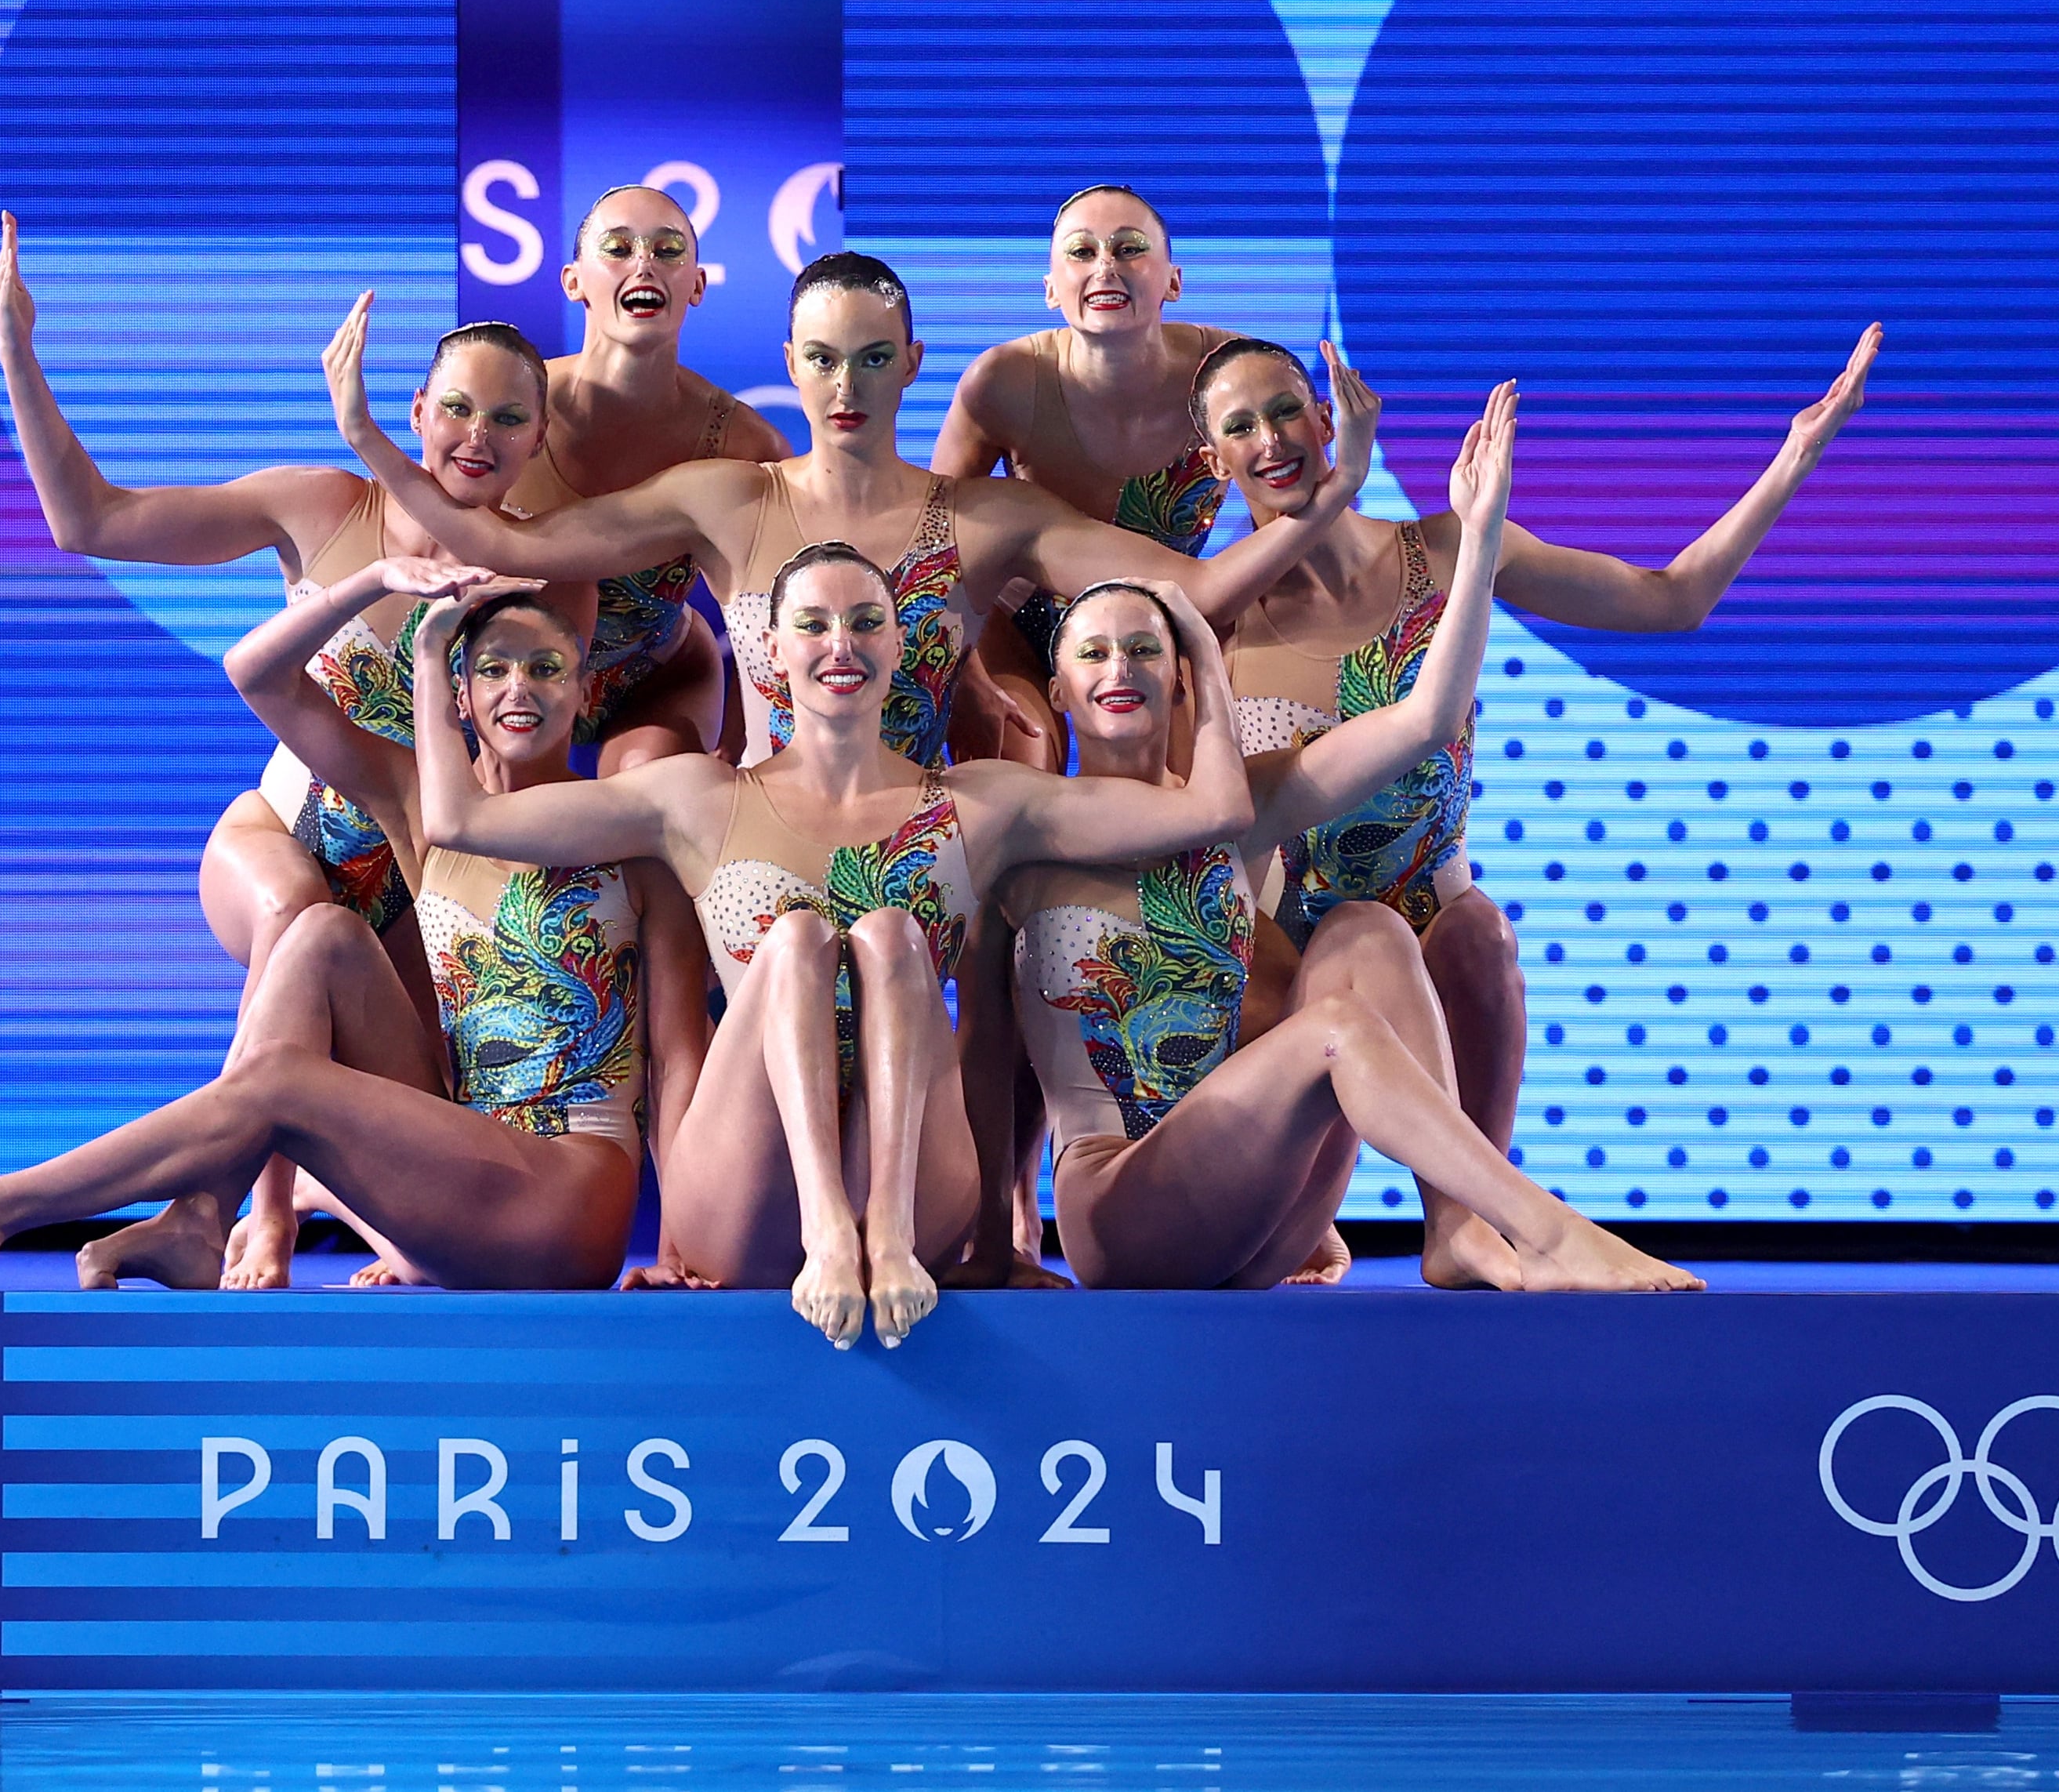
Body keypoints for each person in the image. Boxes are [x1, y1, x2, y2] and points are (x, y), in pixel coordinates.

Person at [415, 542, 1256, 1349]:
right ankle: (830, 1231)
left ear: (900, 646)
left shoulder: (978, 804)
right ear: (772, 651)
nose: (839, 645)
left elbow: (1216, 810)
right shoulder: (697, 797)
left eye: (863, 622)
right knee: (796, 942)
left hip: (914, 1192)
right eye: (813, 625)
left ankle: (880, 1237)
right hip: (749, 1187)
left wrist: (1204, 665)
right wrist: (430, 660)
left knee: (893, 934)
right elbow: (458, 819)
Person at [1194, 323, 1879, 1282]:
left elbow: (1670, 599)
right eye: (1239, 427)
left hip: (1437, 924)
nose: (1269, 440)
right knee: (1355, 928)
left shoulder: (1447, 548)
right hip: (1286, 964)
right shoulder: (1207, 621)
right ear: (1214, 460)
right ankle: (1385, 1211)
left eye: (1283, 411)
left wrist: (1795, 456)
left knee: (1479, 930)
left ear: (1327, 415)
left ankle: (1467, 1220)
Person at [991, 381, 1698, 1293]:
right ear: (1057, 689)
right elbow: (984, 1052)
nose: (1117, 669)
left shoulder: (1236, 813)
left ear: (1186, 676)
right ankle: (1547, 1230)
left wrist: (1478, 541)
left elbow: (1427, 717)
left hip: (1251, 1210)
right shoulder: (1019, 831)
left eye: (1145, 650)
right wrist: (993, 1243)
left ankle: (1459, 1227)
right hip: (1119, 1209)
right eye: (1091, 652)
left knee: (1369, 925)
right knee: (1331, 1032)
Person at [0, 211, 585, 1275]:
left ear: (539, 437)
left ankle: (302, 1199)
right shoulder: (319, 504)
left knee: (402, 1113)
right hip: (278, 830)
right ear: (415, 409)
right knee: (300, 908)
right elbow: (94, 521)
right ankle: (234, 1209)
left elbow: (512, 764)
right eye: (453, 407)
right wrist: (19, 356)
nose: (475, 435)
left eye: (506, 415)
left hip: (416, 871)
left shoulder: (549, 575)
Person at [0, 560, 672, 1295]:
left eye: (546, 668)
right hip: (458, 1166)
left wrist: (677, 1246)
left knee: (282, 1078)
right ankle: (199, 1219)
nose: (517, 689)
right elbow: (257, 673)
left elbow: (679, 1055)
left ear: (584, 690)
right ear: (456, 692)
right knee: (321, 935)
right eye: (492, 668)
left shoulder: (631, 832)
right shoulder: (421, 812)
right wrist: (384, 581)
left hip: (565, 1202)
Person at [323, 251, 1379, 769]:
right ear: (792, 364)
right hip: (761, 842)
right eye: (823, 359)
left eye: (875, 358)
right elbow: (500, 540)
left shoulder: (987, 515)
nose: (847, 383)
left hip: (923, 850)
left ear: (911, 364)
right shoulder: (726, 496)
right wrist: (372, 440)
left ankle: (1007, 1203)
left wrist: (1331, 492)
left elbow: (1192, 585)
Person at [930, 184, 1245, 770]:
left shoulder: (1228, 377)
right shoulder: (1002, 382)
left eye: (1129, 249)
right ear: (1050, 289)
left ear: (1173, 280)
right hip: (1021, 628)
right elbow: (934, 547)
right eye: (1081, 251)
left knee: (1188, 793)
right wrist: (965, 678)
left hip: (1165, 625)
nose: (1105, 266)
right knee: (1014, 774)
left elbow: (1287, 523)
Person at [504, 183, 791, 773]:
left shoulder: (745, 447)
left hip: (653, 679)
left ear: (698, 285)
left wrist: (743, 744)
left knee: (649, 796)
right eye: (618, 247)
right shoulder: (505, 410)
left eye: (667, 250)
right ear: (572, 280)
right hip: (507, 681)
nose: (644, 263)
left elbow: (779, 614)